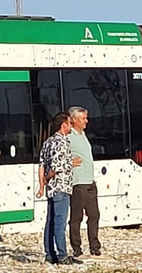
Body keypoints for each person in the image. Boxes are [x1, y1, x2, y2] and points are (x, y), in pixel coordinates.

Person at [38, 112, 75, 264]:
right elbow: (55, 167)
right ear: (63, 125)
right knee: (60, 221)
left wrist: (42, 185)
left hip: (51, 189)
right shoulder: (61, 143)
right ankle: (62, 254)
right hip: (61, 186)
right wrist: (47, 177)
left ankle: (49, 253)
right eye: (70, 123)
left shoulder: (48, 142)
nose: (71, 125)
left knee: (50, 221)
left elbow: (42, 165)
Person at [65, 106, 98, 259]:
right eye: (83, 118)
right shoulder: (68, 136)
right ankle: (76, 248)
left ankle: (95, 246)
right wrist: (69, 162)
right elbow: (58, 154)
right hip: (78, 182)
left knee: (94, 215)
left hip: (90, 180)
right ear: (74, 120)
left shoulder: (82, 134)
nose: (87, 121)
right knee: (76, 217)